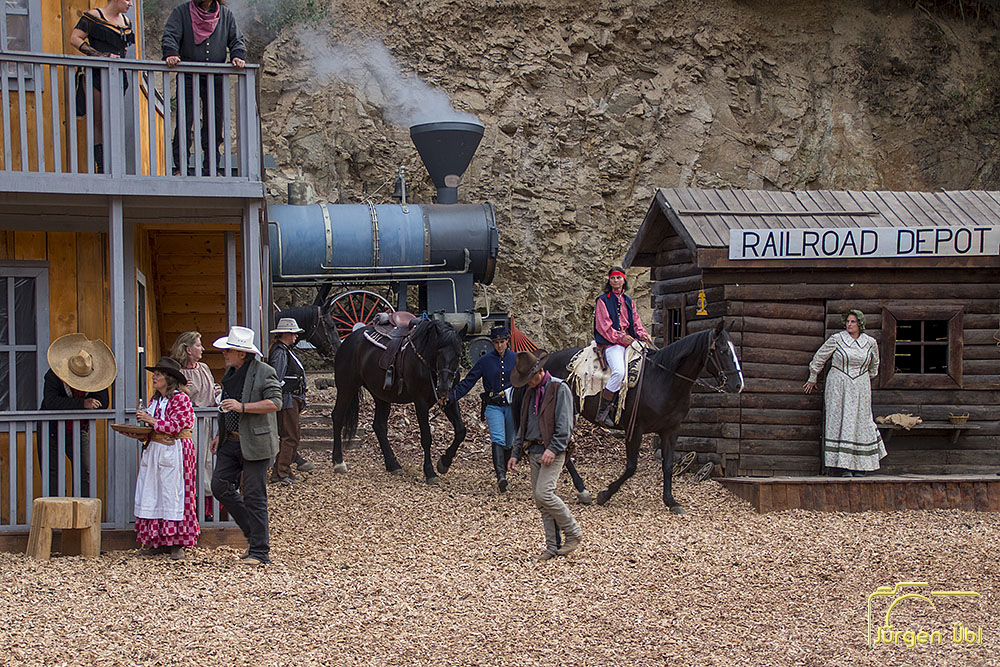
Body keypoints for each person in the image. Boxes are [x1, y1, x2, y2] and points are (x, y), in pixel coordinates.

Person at [210, 325, 281, 566]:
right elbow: (225, 408)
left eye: (228, 350)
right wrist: (219, 434)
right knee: (219, 485)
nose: (224, 354)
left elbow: (275, 403)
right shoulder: (230, 374)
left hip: (256, 442)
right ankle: (253, 531)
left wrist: (242, 407)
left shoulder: (265, 372)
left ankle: (260, 551)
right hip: (230, 441)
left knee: (254, 495)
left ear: (242, 353)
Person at [507, 349, 582, 560]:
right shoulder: (530, 392)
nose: (527, 383)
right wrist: (515, 453)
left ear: (539, 372)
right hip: (534, 449)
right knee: (541, 503)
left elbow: (565, 426)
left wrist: (553, 448)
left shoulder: (559, 388)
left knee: (544, 494)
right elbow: (523, 425)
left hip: (552, 450)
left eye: (528, 379)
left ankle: (573, 532)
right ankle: (552, 546)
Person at [161, 0, 247, 176]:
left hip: (215, 78)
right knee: (184, 122)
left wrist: (237, 56)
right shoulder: (181, 11)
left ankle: (212, 169)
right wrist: (171, 53)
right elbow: (170, 35)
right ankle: (181, 168)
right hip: (188, 76)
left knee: (214, 123)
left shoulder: (226, 15)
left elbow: (237, 40)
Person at [803, 309, 886, 477]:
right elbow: (820, 357)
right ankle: (840, 466)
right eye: (847, 321)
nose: (849, 324)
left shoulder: (870, 342)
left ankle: (860, 465)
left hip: (860, 386)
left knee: (861, 420)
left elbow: (874, 366)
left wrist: (862, 378)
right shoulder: (837, 339)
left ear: (860, 324)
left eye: (853, 322)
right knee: (839, 419)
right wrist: (813, 376)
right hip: (838, 385)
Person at [134, 357, 199, 560]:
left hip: (176, 450)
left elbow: (175, 426)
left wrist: (150, 420)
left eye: (158, 375)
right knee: (154, 493)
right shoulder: (155, 401)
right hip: (156, 449)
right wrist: (141, 432)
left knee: (176, 494)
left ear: (169, 379)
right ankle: (157, 540)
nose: (154, 378)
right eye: (155, 374)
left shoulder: (181, 399)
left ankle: (178, 543)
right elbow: (154, 427)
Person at [39, 333, 116, 497]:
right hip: (51, 430)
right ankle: (57, 511)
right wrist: (82, 404)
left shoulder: (97, 376)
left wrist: (90, 402)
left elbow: (103, 402)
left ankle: (82, 508)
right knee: (53, 474)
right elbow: (51, 402)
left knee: (84, 472)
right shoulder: (53, 375)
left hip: (78, 429)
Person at [69, 0, 135, 173]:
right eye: (128, 0)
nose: (130, 4)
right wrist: (100, 55)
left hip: (118, 75)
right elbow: (75, 39)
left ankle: (114, 164)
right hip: (96, 74)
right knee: (99, 120)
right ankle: (102, 166)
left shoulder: (126, 22)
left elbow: (124, 49)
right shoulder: (94, 16)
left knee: (114, 120)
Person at [449, 323, 516, 492]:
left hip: (511, 406)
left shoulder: (516, 359)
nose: (499, 345)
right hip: (493, 405)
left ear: (507, 341)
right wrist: (450, 397)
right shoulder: (485, 361)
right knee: (498, 438)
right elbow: (468, 382)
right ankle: (501, 476)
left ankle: (504, 472)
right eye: (496, 342)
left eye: (502, 342)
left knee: (509, 442)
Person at [593, 266, 653, 427]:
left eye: (618, 277)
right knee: (619, 372)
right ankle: (603, 411)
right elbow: (603, 326)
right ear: (609, 281)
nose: (616, 280)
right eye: (613, 278)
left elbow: (636, 322)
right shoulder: (602, 300)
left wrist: (643, 334)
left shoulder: (629, 301)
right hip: (613, 343)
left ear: (623, 280)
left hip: (630, 342)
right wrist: (620, 338)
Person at [170, 331, 217, 518]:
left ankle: (208, 510)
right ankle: (190, 509)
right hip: (190, 425)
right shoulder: (178, 372)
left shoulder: (204, 368)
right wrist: (180, 388)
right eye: (198, 345)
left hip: (209, 422)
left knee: (208, 463)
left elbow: (212, 389)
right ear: (188, 349)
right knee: (191, 464)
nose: (202, 348)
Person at [267, 318, 308, 484]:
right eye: (293, 333)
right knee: (289, 436)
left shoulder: (284, 350)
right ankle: (281, 472)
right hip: (287, 398)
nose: (296, 336)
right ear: (285, 334)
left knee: (293, 435)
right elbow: (277, 377)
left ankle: (283, 469)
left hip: (292, 398)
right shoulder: (280, 352)